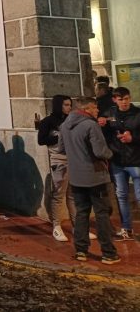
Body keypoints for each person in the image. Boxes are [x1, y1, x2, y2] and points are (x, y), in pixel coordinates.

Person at [58, 96, 120, 263]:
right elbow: (100, 152)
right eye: (94, 107)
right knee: (102, 214)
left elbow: (61, 149)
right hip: (96, 177)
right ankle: (108, 253)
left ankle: (81, 251)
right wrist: (112, 153)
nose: (97, 110)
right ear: (86, 109)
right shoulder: (90, 125)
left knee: (81, 213)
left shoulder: (65, 126)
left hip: (76, 177)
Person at [98, 87, 140, 241]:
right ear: (115, 99)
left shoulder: (137, 113)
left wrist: (133, 138)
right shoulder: (110, 114)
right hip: (117, 161)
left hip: (136, 160)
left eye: (127, 98)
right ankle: (126, 229)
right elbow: (104, 135)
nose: (124, 102)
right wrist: (102, 124)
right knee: (121, 195)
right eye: (121, 99)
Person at [37, 95, 76, 242]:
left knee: (72, 195)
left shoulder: (70, 119)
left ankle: (77, 226)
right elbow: (41, 140)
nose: (69, 107)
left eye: (70, 105)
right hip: (58, 161)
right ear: (59, 105)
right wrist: (60, 137)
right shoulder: (48, 121)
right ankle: (57, 226)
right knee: (59, 194)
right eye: (66, 104)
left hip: (72, 160)